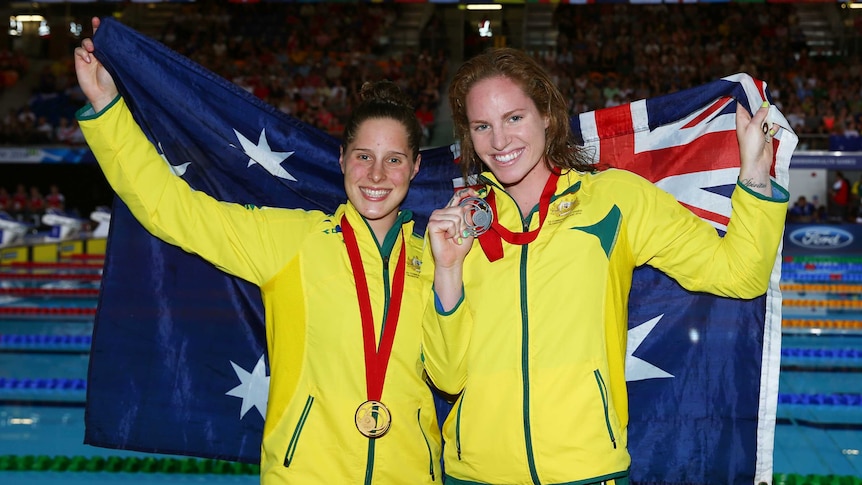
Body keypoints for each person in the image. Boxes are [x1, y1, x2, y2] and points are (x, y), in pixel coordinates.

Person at [75, 17, 441, 484]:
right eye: (363, 156)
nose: (376, 174)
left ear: (415, 168)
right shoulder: (289, 240)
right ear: (342, 159)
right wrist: (107, 106)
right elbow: (174, 210)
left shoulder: (437, 257)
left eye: (394, 160)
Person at [423, 48, 789, 485]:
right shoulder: (457, 227)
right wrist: (446, 270)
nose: (499, 141)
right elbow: (446, 376)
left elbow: (740, 274)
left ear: (546, 115)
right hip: (476, 475)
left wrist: (753, 173)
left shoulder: (615, 200)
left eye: (514, 118)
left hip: (587, 470)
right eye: (483, 126)